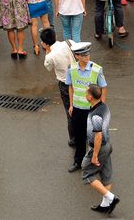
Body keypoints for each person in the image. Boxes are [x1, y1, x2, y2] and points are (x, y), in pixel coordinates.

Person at [66, 42, 107, 173]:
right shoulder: (71, 69)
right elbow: (70, 87)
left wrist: (101, 106)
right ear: (77, 56)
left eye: (88, 54)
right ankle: (78, 161)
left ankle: (97, 161)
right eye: (83, 55)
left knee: (95, 137)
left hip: (92, 110)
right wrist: (71, 105)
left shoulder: (96, 69)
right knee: (78, 136)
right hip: (78, 109)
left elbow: (103, 87)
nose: (87, 57)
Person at [82, 84, 119, 214]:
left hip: (100, 147)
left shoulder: (96, 115)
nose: (85, 95)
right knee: (106, 175)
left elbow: (98, 136)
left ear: (90, 97)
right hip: (107, 146)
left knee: (87, 172)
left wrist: (94, 155)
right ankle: (105, 205)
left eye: (86, 93)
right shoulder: (104, 106)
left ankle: (111, 198)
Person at [41, 27, 76, 146]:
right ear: (55, 36)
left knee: (70, 111)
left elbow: (48, 67)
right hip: (79, 80)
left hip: (65, 84)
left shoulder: (50, 56)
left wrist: (47, 50)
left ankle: (73, 138)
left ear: (45, 43)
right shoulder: (69, 42)